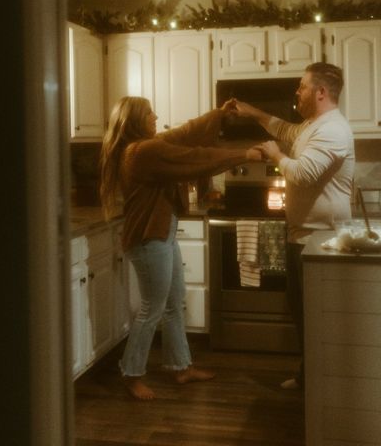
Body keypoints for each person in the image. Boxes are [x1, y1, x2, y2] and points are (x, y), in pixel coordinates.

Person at [100, 96, 263, 400]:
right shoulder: (143, 151)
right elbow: (195, 158)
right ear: (136, 120)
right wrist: (244, 155)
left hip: (162, 234)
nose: (156, 116)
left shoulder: (146, 145)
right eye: (150, 113)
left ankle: (180, 367)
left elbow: (185, 133)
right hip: (149, 239)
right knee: (152, 308)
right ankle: (131, 373)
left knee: (175, 302)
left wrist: (218, 115)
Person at [235, 62, 355, 390]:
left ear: (320, 92)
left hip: (322, 241)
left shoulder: (333, 129)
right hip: (302, 237)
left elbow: (303, 172)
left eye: (301, 86)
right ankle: (309, 380)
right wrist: (252, 113)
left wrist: (276, 156)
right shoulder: (312, 126)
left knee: (317, 320)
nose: (296, 92)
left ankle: (321, 388)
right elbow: (284, 129)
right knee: (304, 315)